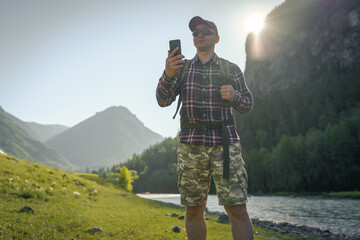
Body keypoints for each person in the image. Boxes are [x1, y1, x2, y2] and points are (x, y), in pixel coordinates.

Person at [156, 16, 254, 240]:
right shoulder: (181, 69)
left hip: (226, 147)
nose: (199, 34)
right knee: (193, 210)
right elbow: (162, 101)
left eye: (205, 31)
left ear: (217, 38)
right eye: (195, 32)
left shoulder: (232, 69)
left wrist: (235, 95)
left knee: (237, 209)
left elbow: (247, 103)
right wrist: (167, 75)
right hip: (191, 148)